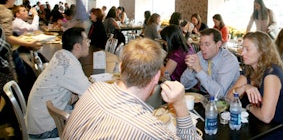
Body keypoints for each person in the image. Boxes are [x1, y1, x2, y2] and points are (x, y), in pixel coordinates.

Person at [63, 38, 200, 140]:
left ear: (121, 67)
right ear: (156, 77)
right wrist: (180, 104)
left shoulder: (94, 89)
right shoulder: (149, 129)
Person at [227, 31, 283, 139]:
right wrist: (244, 88)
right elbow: (228, 98)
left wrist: (248, 106)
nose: (242, 53)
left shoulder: (272, 74)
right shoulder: (250, 69)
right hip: (261, 127)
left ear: (262, 52)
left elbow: (266, 117)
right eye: (242, 48)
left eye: (247, 49)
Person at [26, 27, 91, 139]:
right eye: (87, 40)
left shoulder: (60, 55)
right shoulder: (70, 65)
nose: (89, 43)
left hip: (37, 121)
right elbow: (90, 94)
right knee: (90, 126)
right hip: (45, 130)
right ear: (77, 46)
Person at [180, 28, 240, 97]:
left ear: (218, 44)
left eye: (207, 44)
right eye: (201, 44)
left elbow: (219, 93)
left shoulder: (229, 61)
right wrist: (191, 68)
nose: (202, 48)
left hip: (225, 102)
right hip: (204, 97)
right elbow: (184, 85)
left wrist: (199, 70)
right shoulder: (200, 55)